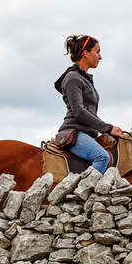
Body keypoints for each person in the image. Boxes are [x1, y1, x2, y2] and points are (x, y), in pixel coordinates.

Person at [54, 34, 124, 174]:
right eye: (97, 51)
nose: (100, 57)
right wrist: (108, 128)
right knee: (102, 157)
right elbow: (79, 111)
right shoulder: (73, 78)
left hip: (87, 133)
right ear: (86, 53)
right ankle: (81, 194)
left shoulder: (83, 79)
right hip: (74, 132)